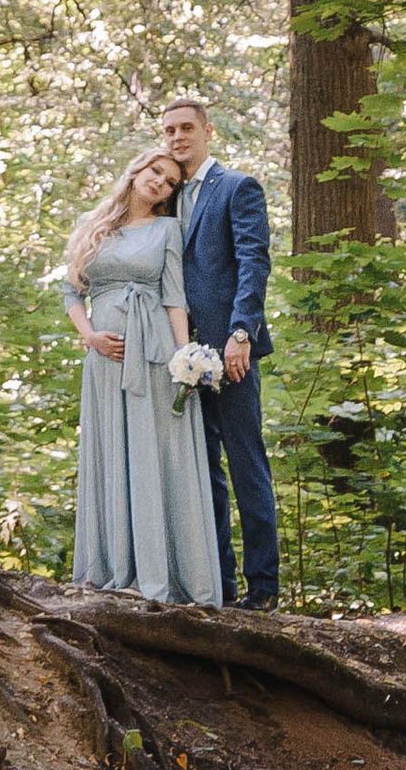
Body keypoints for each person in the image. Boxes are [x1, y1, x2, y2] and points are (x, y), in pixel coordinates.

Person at [61, 145, 223, 606]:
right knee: (111, 451)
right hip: (103, 360)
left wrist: (182, 361)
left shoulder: (168, 229)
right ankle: (111, 568)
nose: (161, 183)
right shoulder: (94, 227)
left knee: (157, 456)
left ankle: (161, 574)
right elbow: (71, 292)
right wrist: (90, 336)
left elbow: (174, 297)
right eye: (156, 172)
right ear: (136, 171)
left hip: (152, 355)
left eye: (171, 181)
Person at [159, 92, 280, 608]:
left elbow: (254, 262)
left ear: (207, 132)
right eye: (169, 131)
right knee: (202, 472)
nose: (178, 138)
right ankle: (220, 587)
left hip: (232, 353)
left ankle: (265, 588)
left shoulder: (236, 187)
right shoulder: (162, 197)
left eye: (186, 128)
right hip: (183, 358)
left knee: (245, 463)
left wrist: (240, 334)